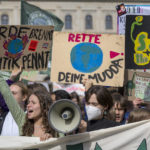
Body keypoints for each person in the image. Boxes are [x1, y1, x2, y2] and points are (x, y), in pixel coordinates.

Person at [0, 74, 55, 141]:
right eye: (28, 102)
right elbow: (6, 92)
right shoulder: (22, 120)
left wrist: (52, 139)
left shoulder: (55, 125)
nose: (28, 105)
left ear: (44, 107)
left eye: (33, 103)